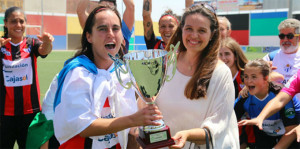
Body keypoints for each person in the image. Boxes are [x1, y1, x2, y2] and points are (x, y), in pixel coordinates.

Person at [53, 5, 162, 148]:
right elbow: (84, 125)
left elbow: (130, 129)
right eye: (102, 29)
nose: (110, 33)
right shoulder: (78, 72)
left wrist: (146, 105)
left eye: (116, 28)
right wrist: (133, 120)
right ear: (89, 36)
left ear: (122, 36)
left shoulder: (124, 72)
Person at [139, 4, 239, 148]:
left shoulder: (221, 73)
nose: (194, 35)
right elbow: (149, 105)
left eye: (202, 30)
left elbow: (219, 124)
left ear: (212, 34)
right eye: (189, 29)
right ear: (182, 30)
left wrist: (187, 135)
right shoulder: (165, 63)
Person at [0, 6, 54, 149]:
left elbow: (44, 50)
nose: (18, 25)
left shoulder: (31, 43)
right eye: (13, 21)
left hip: (30, 113)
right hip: (4, 114)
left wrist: (48, 43)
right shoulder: (1, 44)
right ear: (5, 23)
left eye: (21, 21)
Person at [234, 59, 299, 148]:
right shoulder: (244, 96)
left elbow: (291, 131)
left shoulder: (279, 94)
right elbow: (227, 118)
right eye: (246, 76)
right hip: (265, 134)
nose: (249, 81)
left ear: (266, 78)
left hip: (291, 135)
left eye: (254, 77)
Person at [263, 18, 300, 86]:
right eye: (282, 36)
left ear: (299, 38)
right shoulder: (270, 57)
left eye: (290, 36)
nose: (285, 39)